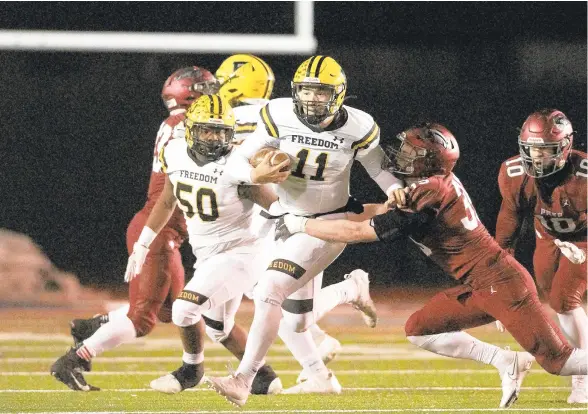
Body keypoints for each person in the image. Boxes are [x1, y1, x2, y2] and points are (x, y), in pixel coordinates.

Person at [272, 122, 588, 408]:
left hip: (500, 283)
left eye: (412, 151)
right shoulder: (430, 185)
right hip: (482, 283)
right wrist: (317, 218)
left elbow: (360, 232)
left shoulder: (429, 191)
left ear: (429, 161)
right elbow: (378, 210)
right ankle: (506, 361)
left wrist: (300, 226)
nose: (403, 154)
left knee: (558, 361)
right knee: (419, 329)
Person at [206, 55, 404, 406]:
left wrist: (393, 190)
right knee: (295, 322)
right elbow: (238, 159)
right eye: (307, 92)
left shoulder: (359, 127)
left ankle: (243, 380)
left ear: (338, 94)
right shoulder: (279, 114)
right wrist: (254, 175)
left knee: (269, 291)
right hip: (282, 217)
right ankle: (347, 298)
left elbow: (379, 170)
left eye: (321, 92)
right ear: (296, 91)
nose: (313, 100)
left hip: (326, 223)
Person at [50, 67, 221, 392]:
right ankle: (74, 358)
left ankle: (94, 327)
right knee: (143, 319)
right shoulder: (190, 127)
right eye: (208, 89)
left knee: (176, 309)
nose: (216, 96)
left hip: (162, 230)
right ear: (192, 93)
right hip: (159, 229)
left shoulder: (176, 124)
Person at [216, 53, 347, 377]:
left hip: (270, 215)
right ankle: (316, 352)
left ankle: (345, 298)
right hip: (287, 208)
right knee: (268, 294)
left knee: (271, 295)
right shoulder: (280, 111)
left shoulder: (232, 117)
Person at [495, 109, 587, 404]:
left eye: (544, 151)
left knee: (564, 298)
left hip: (585, 238)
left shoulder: (583, 177)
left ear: (564, 147)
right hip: (547, 235)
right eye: (531, 149)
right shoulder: (514, 174)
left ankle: (583, 377)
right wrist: (499, 277)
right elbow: (508, 224)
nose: (536, 158)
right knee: (549, 290)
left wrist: (583, 254)